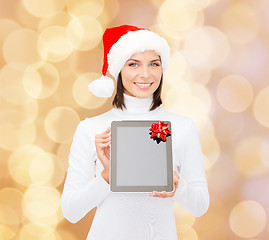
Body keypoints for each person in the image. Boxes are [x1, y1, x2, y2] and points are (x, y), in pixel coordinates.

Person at [61, 25, 209, 240]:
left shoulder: (182, 127)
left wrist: (179, 187)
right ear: (119, 68)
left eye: (154, 64)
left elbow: (200, 205)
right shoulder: (91, 129)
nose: (145, 74)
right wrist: (107, 176)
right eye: (133, 64)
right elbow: (71, 211)